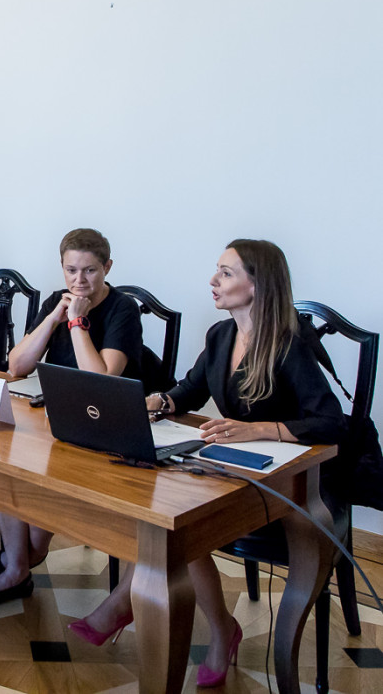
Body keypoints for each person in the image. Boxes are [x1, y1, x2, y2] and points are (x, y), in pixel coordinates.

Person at [70, 239, 345, 688]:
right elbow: (190, 391)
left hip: (293, 483)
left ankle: (164, 615)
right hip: (236, 470)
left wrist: (259, 429)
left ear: (257, 285)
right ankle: (215, 627)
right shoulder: (221, 336)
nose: (213, 280)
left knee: (181, 527)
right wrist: (158, 401)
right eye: (217, 270)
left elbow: (330, 422)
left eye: (226, 273)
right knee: (169, 514)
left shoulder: (290, 343)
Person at [0, 228, 143, 606]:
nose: (79, 280)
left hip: (102, 429)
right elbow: (16, 366)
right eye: (71, 270)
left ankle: (17, 562)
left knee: (33, 543)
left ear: (108, 267)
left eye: (90, 270)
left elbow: (101, 381)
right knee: (3, 457)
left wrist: (77, 323)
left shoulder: (123, 309)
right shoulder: (56, 300)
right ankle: (16, 569)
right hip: (55, 421)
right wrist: (53, 318)